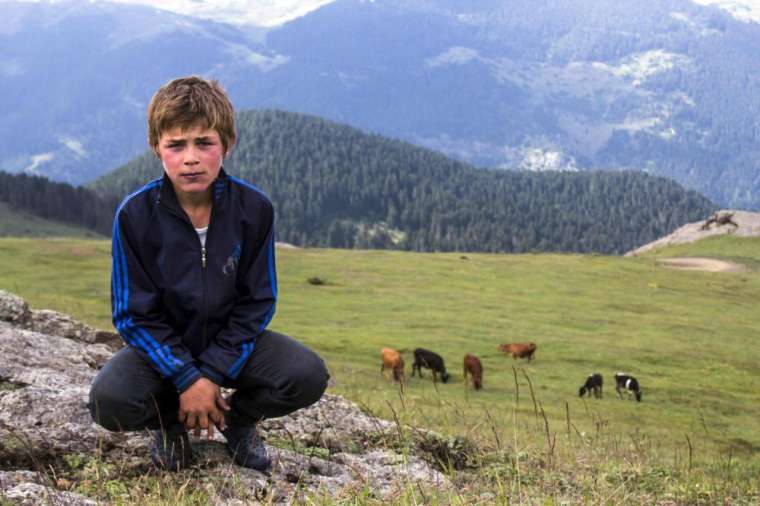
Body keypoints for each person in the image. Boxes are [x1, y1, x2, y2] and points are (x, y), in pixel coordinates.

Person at [88, 76, 329, 472]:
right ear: (156, 148)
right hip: (164, 353)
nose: (191, 158)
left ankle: (238, 421)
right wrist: (185, 377)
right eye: (176, 145)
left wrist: (212, 373)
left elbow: (257, 302)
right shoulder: (135, 216)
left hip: (232, 347)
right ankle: (169, 424)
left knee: (306, 375)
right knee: (107, 400)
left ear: (227, 144)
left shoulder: (254, 209)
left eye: (204, 143)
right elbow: (133, 314)